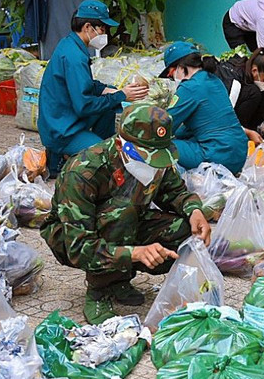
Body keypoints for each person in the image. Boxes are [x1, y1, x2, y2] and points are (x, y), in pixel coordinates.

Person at [42, 103, 212, 323]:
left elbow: (175, 191)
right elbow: (79, 246)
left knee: (182, 229)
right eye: (148, 156)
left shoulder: (156, 160)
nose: (154, 164)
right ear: (123, 145)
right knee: (122, 213)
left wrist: (194, 211)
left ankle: (120, 280)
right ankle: (98, 290)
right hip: (74, 238)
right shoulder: (84, 170)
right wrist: (135, 253)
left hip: (128, 223)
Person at [38, 0, 148, 178]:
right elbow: (84, 106)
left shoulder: (70, 44)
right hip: (62, 130)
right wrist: (121, 95)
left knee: (110, 98)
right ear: (88, 27)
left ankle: (92, 145)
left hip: (63, 117)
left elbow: (86, 85)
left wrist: (111, 91)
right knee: (110, 158)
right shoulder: (74, 57)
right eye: (102, 29)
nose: (104, 33)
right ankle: (65, 153)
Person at [161, 41, 249, 174]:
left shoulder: (189, 87)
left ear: (180, 67)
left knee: (160, 145)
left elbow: (165, 124)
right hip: (239, 154)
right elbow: (201, 121)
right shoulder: (214, 80)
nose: (172, 78)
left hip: (218, 156)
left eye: (171, 73)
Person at [217, 50, 264, 145]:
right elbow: (226, 114)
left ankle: (254, 133)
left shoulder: (249, 77)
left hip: (238, 114)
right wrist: (246, 132)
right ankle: (239, 136)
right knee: (254, 92)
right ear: (254, 71)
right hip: (222, 119)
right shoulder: (235, 81)